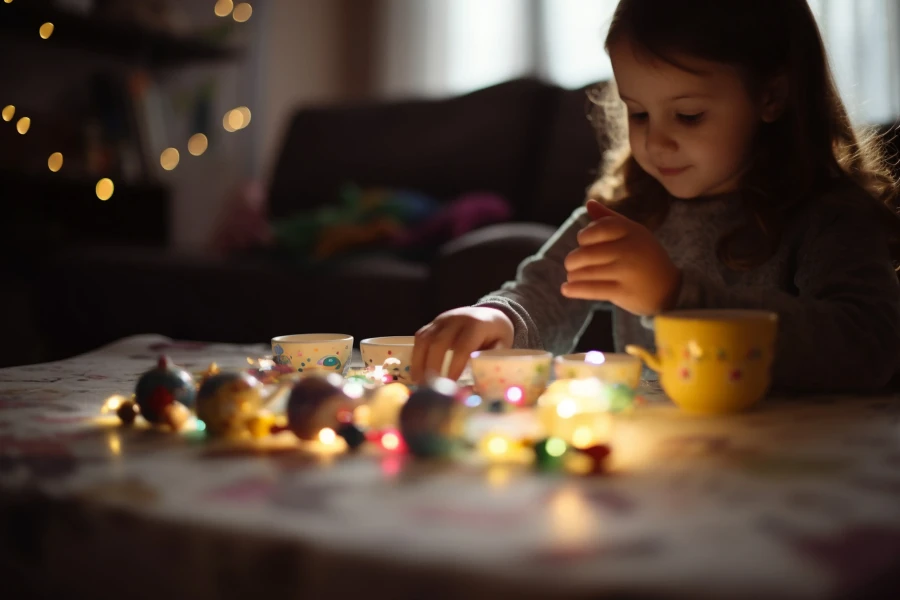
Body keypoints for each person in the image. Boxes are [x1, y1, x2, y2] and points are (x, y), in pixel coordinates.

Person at [410, 0, 900, 393]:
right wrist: (494, 316)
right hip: (665, 463)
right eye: (639, 113)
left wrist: (676, 297)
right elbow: (539, 294)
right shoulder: (628, 212)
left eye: (688, 116)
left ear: (771, 97)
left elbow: (866, 346)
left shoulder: (829, 216)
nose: (655, 142)